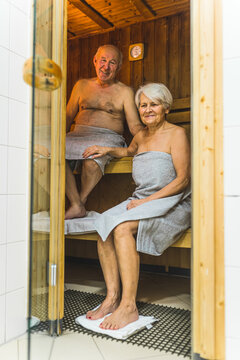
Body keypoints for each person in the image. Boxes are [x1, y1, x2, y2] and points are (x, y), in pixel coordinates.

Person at [82, 83, 191, 330]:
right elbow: (128, 152)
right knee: (103, 224)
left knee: (121, 229)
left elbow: (183, 179)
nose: (148, 109)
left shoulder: (177, 134)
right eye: (143, 105)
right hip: (142, 199)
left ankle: (128, 307)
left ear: (166, 107)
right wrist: (106, 149)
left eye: (153, 104)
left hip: (173, 202)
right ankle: (111, 299)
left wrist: (146, 201)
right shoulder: (141, 135)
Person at [65, 44, 143, 219]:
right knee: (52, 155)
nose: (106, 67)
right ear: (94, 60)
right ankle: (76, 205)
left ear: (119, 66)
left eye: (112, 62)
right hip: (77, 135)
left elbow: (134, 125)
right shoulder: (81, 85)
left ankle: (81, 201)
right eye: (103, 60)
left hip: (107, 138)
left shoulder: (124, 91)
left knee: (92, 159)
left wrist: (149, 137)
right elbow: (67, 117)